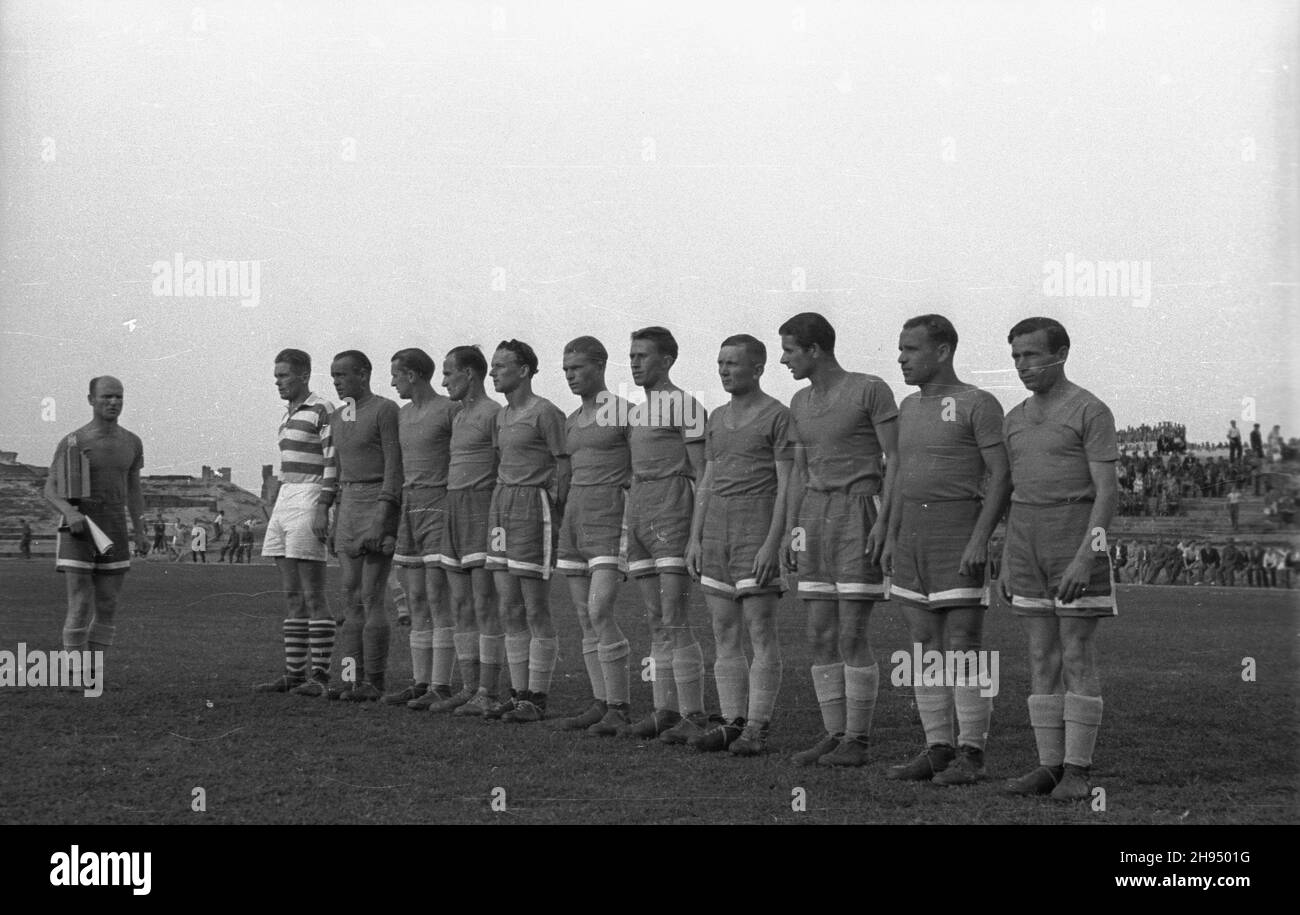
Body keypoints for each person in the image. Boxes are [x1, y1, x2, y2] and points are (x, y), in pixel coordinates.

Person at [882, 315, 1010, 785]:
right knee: (923, 646)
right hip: (912, 533)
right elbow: (900, 475)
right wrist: (890, 531)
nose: (901, 357)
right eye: (900, 349)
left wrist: (981, 537)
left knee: (964, 646)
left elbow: (1001, 474)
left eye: (911, 349)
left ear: (943, 351)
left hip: (957, 529)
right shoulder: (909, 406)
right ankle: (937, 747)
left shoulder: (978, 402)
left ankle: (972, 753)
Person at [997, 317, 1118, 803]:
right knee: (1040, 656)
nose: (1022, 366)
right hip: (1026, 541)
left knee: (1076, 654)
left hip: (1072, 538)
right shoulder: (1014, 417)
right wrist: (1006, 555)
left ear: (1061, 352)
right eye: (1016, 357)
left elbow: (1107, 493)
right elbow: (1013, 493)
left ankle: (1078, 770)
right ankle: (1048, 766)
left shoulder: (1090, 409)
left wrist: (1086, 558)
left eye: (1031, 355)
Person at [779, 312, 899, 767]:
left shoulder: (870, 389)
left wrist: (885, 523)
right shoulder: (799, 401)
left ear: (814, 350)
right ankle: (833, 733)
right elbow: (798, 471)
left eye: (790, 350)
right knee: (819, 632)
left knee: (852, 632)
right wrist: (793, 530)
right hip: (814, 516)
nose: (784, 359)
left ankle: (858, 739)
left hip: (857, 511)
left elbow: (898, 459)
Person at [684, 334, 794, 756]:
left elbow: (787, 485)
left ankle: (758, 726)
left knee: (760, 630)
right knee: (722, 630)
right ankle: (732, 721)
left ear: (758, 368)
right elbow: (707, 482)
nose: (725, 370)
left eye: (733, 363)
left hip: (755, 527)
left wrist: (773, 541)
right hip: (716, 532)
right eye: (720, 363)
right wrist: (694, 538)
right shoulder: (714, 416)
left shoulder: (777, 416)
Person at [621, 327, 711, 743]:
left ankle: (694, 713)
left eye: (643, 355)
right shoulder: (637, 413)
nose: (635, 362)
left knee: (675, 619)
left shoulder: (686, 405)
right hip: (639, 509)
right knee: (656, 619)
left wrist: (696, 535)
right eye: (632, 355)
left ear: (668, 360)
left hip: (673, 510)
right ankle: (665, 710)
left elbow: (703, 471)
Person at [550, 337, 636, 736]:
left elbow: (641, 471)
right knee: (584, 617)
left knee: (601, 611)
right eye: (566, 370)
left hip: (610, 520)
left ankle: (620, 706)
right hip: (574, 522)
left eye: (578, 368)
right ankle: (601, 703)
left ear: (600, 365)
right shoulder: (569, 420)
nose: (570, 376)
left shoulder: (626, 414)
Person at [482, 339, 569, 723]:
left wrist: (559, 507)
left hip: (533, 507)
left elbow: (563, 465)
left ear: (524, 370)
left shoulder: (546, 412)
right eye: (492, 366)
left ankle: (537, 697)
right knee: (508, 605)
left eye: (501, 366)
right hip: (501, 506)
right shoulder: (500, 417)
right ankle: (517, 694)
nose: (493, 372)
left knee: (535, 606)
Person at [42, 376, 148, 674]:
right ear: (91, 400)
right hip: (79, 526)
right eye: (106, 397)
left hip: (113, 526)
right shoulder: (74, 440)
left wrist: (140, 530)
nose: (114, 402)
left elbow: (134, 490)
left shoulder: (132, 442)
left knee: (109, 602)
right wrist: (69, 512)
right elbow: (50, 488)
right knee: (80, 600)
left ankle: (93, 673)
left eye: (119, 397)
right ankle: (74, 673)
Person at [381, 347, 463, 709]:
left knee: (436, 596)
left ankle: (440, 684)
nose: (393, 381)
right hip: (409, 507)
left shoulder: (450, 410)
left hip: (439, 505)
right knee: (413, 598)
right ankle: (420, 682)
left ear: (412, 375)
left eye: (396, 374)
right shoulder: (401, 415)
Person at [251, 349, 337, 695]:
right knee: (291, 593)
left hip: (311, 495)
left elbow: (333, 461)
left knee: (313, 591)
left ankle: (320, 675)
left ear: (304, 375)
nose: (278, 382)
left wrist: (322, 507)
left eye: (284, 376)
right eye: (276, 377)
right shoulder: (286, 416)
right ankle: (294, 673)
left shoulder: (322, 409)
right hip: (287, 497)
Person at [327, 349, 403, 701]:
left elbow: (393, 466)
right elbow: (340, 470)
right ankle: (350, 678)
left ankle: (374, 681)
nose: (336, 381)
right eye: (333, 376)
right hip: (348, 505)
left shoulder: (385, 409)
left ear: (363, 373)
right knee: (349, 598)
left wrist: (383, 516)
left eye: (342, 375)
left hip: (376, 503)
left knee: (372, 596)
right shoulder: (339, 417)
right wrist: (335, 516)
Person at [440, 346, 504, 718]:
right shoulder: (458, 416)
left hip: (482, 509)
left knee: (484, 603)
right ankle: (468, 687)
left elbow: (504, 463)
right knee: (461, 604)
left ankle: (489, 691)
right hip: (453, 509)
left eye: (449, 373)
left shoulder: (492, 414)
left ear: (470, 374)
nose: (444, 381)